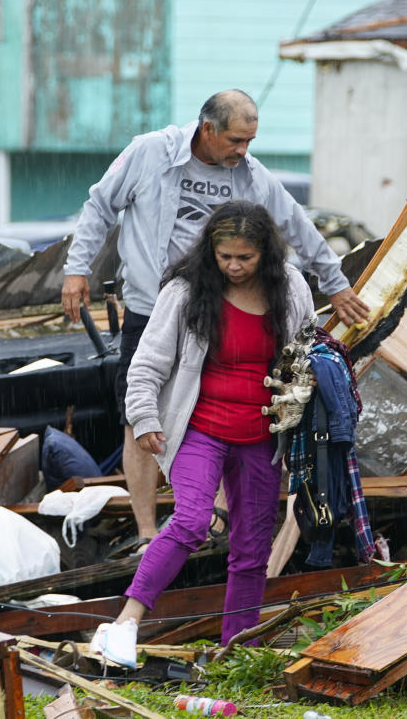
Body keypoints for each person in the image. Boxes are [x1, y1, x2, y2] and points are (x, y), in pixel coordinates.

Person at [61, 89, 369, 544]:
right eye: (236, 141)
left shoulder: (250, 175)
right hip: (152, 308)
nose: (244, 151)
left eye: (250, 141)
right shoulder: (151, 153)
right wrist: (76, 269)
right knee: (139, 413)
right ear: (208, 129)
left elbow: (294, 223)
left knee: (222, 410)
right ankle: (148, 531)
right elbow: (99, 205)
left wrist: (335, 281)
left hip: (219, 308)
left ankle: (217, 519)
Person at [89, 200, 316, 667]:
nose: (233, 266)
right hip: (199, 428)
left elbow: (307, 357)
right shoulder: (187, 289)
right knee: (192, 521)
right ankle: (124, 624)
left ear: (265, 254)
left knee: (253, 547)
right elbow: (147, 364)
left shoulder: (289, 287)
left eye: (244, 258)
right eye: (224, 255)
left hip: (262, 435)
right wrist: (146, 418)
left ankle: (238, 652)